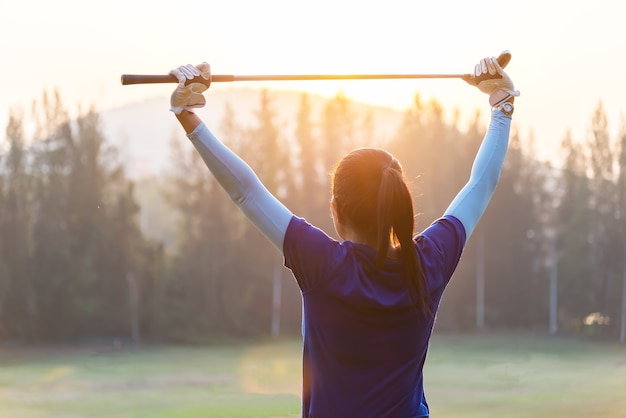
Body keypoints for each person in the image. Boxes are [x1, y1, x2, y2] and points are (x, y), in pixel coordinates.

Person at [168, 55, 519, 418]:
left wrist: (187, 114)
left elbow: (246, 192)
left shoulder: (323, 264)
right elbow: (482, 184)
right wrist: (502, 103)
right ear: (398, 203)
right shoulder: (430, 261)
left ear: (335, 210)